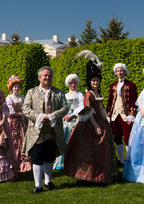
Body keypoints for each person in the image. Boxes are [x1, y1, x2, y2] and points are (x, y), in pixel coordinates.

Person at [64, 51, 118, 183]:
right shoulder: (88, 94)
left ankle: (104, 174)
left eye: (97, 80)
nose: (95, 83)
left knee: (105, 147)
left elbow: (101, 109)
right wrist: (96, 127)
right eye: (93, 81)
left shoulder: (98, 93)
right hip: (91, 123)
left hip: (102, 121)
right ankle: (90, 175)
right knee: (90, 149)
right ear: (90, 81)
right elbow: (88, 112)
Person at [22, 66, 69, 194]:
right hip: (37, 130)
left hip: (53, 130)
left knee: (49, 156)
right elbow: (25, 108)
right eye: (45, 76)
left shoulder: (59, 92)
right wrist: (38, 116)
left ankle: (48, 181)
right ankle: (38, 185)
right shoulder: (31, 92)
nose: (48, 78)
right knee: (37, 156)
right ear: (40, 78)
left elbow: (65, 108)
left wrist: (54, 115)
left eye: (50, 76)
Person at [106, 62, 137, 165]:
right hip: (115, 116)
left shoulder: (131, 85)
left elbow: (133, 100)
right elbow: (110, 100)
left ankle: (129, 159)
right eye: (118, 71)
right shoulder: (113, 85)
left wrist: (131, 114)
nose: (119, 72)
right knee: (117, 137)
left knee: (128, 137)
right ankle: (122, 160)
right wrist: (108, 114)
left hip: (126, 115)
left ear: (125, 72)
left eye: (121, 70)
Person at [54, 74, 84, 171]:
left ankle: (74, 163)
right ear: (68, 84)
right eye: (71, 83)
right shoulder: (65, 95)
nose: (73, 85)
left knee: (73, 140)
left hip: (75, 119)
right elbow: (61, 107)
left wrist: (71, 115)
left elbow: (81, 107)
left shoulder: (79, 94)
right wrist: (64, 116)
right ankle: (61, 162)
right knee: (62, 140)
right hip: (65, 121)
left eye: (75, 82)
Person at [6, 75, 32, 173]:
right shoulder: (9, 98)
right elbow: (11, 112)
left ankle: (24, 163)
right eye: (15, 86)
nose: (16, 88)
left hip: (23, 122)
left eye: (18, 86)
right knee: (14, 140)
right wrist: (22, 114)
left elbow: (26, 108)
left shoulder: (22, 98)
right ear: (11, 88)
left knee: (24, 140)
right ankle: (14, 162)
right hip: (14, 123)